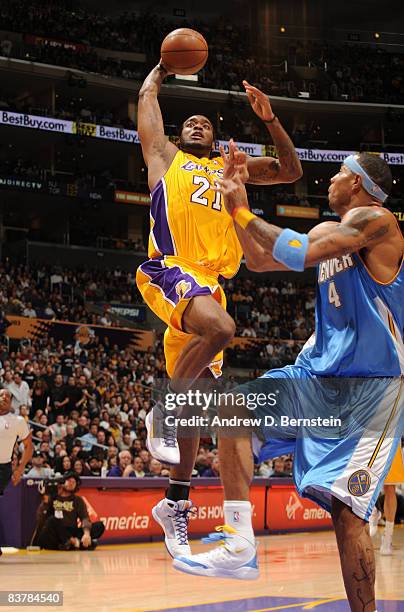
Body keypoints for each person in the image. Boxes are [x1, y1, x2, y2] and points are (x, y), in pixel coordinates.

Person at [173, 135, 403, 612]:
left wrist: (240, 210)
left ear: (358, 183)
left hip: (371, 392)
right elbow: (260, 259)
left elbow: (296, 251)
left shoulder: (379, 222)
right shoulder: (330, 229)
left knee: (348, 515)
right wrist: (238, 191)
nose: (331, 180)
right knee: (234, 406)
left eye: (339, 173)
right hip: (315, 378)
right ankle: (239, 542)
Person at [136, 63, 302, 558]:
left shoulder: (232, 168)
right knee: (221, 331)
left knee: (200, 406)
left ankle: (175, 500)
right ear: (177, 134)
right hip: (170, 267)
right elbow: (147, 97)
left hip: (212, 285)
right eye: (190, 122)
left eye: (206, 122)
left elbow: (291, 171)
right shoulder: (164, 157)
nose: (198, 124)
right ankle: (157, 411)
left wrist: (271, 121)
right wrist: (164, 68)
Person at [0, 388, 33, 556]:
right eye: (1, 394)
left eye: (8, 396)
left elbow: (29, 446)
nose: (4, 397)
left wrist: (20, 469)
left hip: (3, 467)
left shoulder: (17, 421)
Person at [34, 472, 104, 550]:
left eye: (74, 482)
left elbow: (85, 518)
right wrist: (45, 501)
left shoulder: (77, 500)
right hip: (56, 532)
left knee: (99, 526)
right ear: (63, 482)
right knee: (52, 520)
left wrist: (86, 534)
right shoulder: (53, 497)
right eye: (69, 481)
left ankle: (71, 544)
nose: (71, 483)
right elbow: (41, 517)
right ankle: (75, 543)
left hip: (71, 530)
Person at [369, 442, 404, 554]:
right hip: (369, 436)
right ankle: (373, 510)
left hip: (391, 436)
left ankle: (387, 537)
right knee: (369, 481)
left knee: (390, 487)